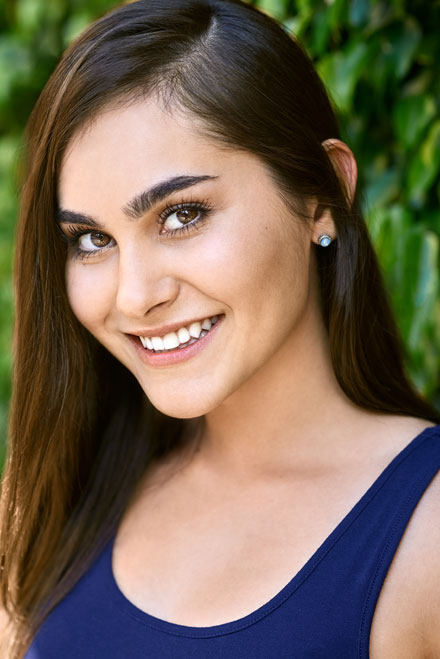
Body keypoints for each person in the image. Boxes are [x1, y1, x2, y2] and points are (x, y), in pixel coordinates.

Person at [1, 0, 439, 656]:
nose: (135, 295)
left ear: (323, 196)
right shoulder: (44, 500)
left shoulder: (426, 533)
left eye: (182, 215)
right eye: (91, 238)